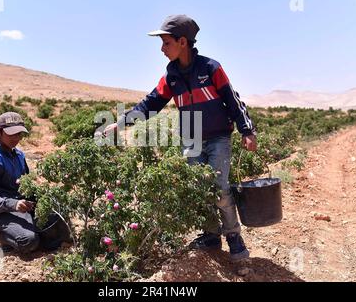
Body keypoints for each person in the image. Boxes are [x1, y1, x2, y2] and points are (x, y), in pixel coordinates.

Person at [104, 15, 257, 261]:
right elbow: (150, 103)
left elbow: (233, 99)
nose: (162, 49)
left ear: (182, 42)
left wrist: (247, 131)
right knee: (198, 188)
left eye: (166, 43)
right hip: (191, 140)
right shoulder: (171, 75)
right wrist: (121, 122)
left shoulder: (211, 68)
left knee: (220, 190)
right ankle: (210, 235)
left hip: (218, 138)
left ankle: (234, 239)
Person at [0, 112, 40, 254]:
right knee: (29, 241)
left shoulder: (19, 154)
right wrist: (14, 204)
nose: (16, 138)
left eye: (19, 134)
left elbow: (26, 182)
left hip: (22, 205)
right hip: (0, 213)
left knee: (56, 226)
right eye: (12, 134)